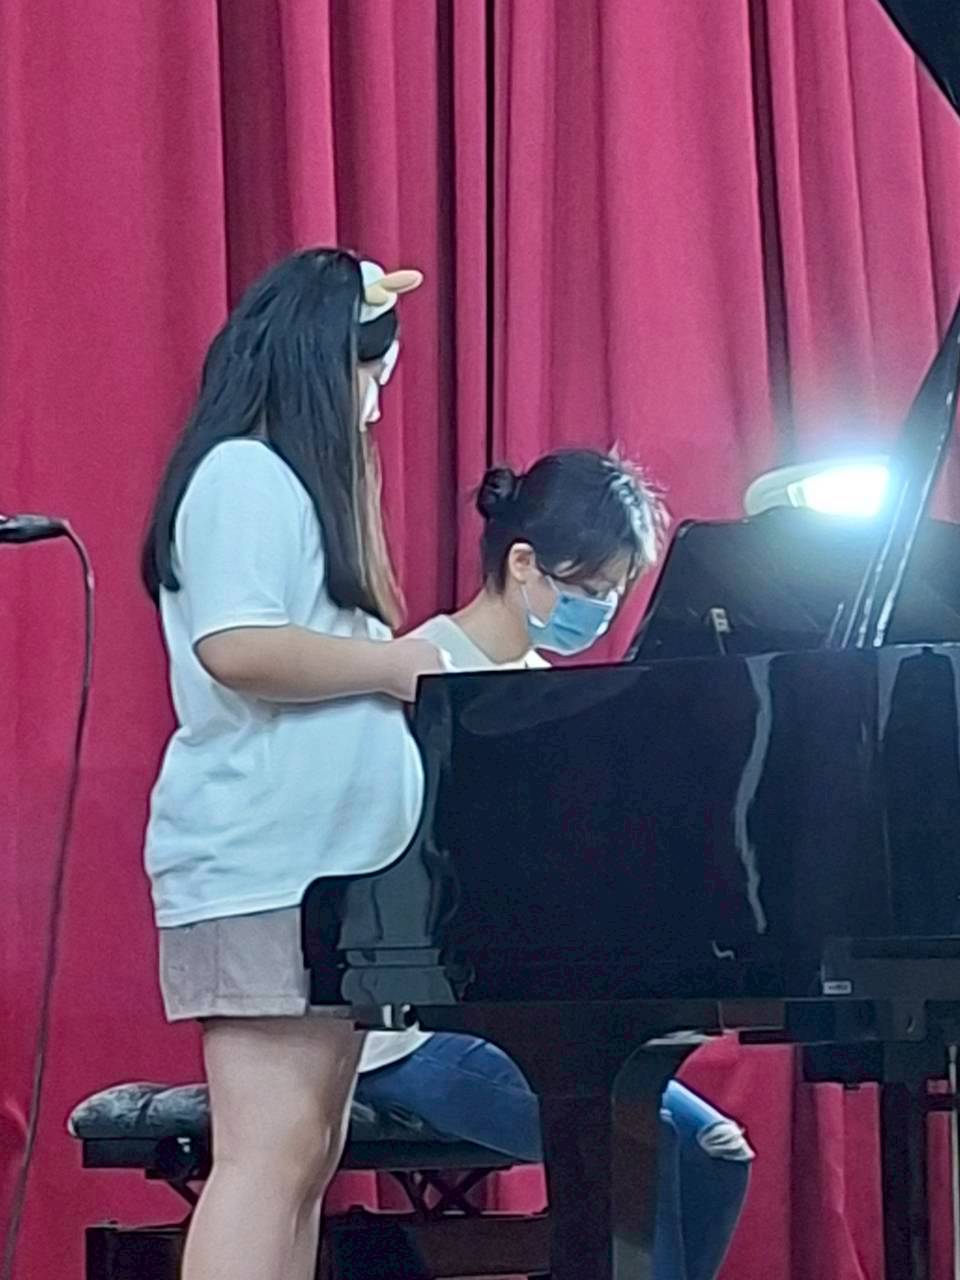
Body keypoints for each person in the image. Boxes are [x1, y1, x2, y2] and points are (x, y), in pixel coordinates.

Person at [347, 450, 754, 1280]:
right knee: (661, 1147)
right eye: (592, 588)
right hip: (416, 1035)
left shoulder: (544, 689)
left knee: (714, 1151)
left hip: (543, 1019)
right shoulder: (422, 676)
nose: (601, 611)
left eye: (616, 592)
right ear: (523, 563)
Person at [140, 248, 447, 1280]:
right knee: (266, 1161)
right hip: (264, 868)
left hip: (320, 876)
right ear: (325, 364)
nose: (374, 407)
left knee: (303, 1160)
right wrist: (395, 666)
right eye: (371, 378)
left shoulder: (281, 483)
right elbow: (237, 645)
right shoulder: (244, 472)